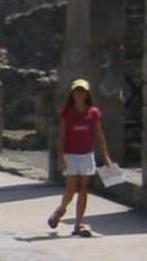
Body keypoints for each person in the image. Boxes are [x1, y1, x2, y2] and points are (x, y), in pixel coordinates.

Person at [48, 79, 113, 238]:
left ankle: (78, 224)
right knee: (71, 188)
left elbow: (99, 136)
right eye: (77, 91)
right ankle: (61, 210)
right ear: (72, 93)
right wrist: (60, 157)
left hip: (86, 155)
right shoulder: (67, 112)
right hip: (70, 155)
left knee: (84, 189)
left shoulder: (93, 112)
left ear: (87, 94)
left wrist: (105, 156)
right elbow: (62, 136)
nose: (80, 94)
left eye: (82, 91)